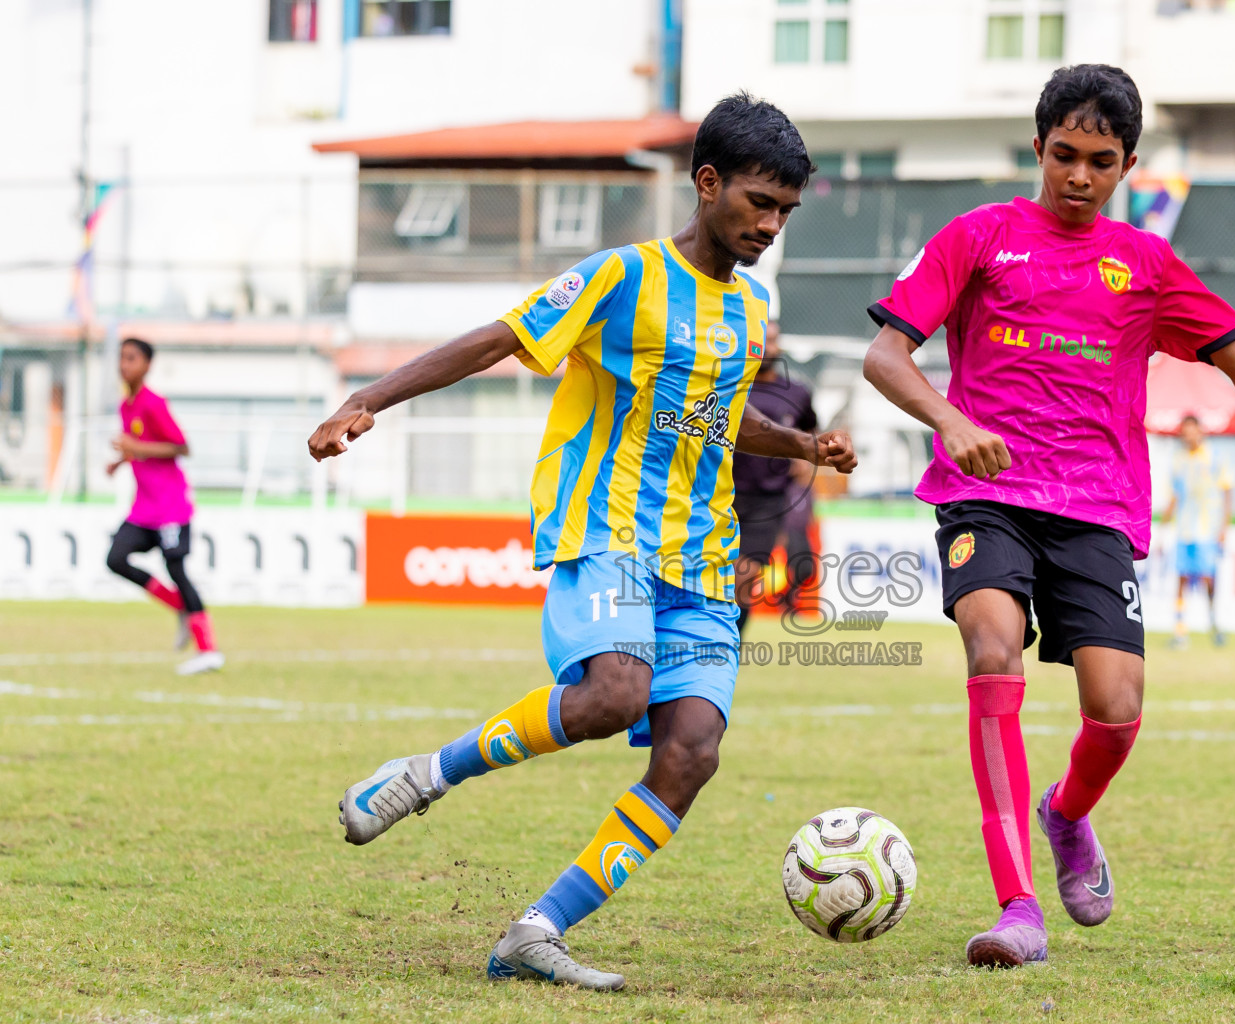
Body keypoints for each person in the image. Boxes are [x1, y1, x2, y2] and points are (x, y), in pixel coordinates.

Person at [861, 64, 1235, 968]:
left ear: (1128, 165)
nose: (1078, 177)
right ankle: (1018, 906)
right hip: (985, 492)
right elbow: (885, 356)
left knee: (1117, 708)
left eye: (1100, 162)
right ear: (1038, 148)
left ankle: (1066, 815)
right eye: (1064, 155)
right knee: (990, 645)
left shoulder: (1145, 265)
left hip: (1096, 508)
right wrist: (954, 421)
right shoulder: (977, 239)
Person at [307, 93, 856, 991]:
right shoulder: (621, 277)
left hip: (704, 558)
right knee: (612, 693)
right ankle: (424, 774)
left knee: (692, 753)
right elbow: (497, 338)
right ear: (707, 182)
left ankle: (538, 930)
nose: (770, 225)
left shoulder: (747, 309)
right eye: (759, 203)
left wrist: (801, 442)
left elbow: (716, 416)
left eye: (786, 212)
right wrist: (367, 398)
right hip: (606, 531)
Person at [104, 337, 224, 676]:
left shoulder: (154, 403)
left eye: (131, 358)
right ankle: (179, 606)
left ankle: (208, 650)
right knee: (115, 559)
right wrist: (121, 460)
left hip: (171, 506)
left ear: (146, 364)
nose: (123, 364)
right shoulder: (126, 406)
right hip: (143, 510)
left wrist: (134, 446)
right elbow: (139, 447)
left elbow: (181, 447)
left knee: (176, 569)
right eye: (121, 357)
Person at [732, 319, 819, 632]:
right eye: (763, 341)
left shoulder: (796, 392)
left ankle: (728, 651)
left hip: (767, 502)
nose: (770, 347)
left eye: (774, 340)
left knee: (742, 578)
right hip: (719, 495)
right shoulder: (730, 386)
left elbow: (809, 428)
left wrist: (806, 457)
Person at [1163, 414, 1233, 648]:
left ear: (1200, 432)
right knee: (1181, 578)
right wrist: (1163, 526)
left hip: (1207, 529)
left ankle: (1214, 623)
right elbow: (1174, 494)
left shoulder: (1214, 456)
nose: (1188, 436)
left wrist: (1224, 526)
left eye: (1191, 431)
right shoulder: (1178, 459)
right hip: (1184, 529)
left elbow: (1227, 492)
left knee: (1207, 579)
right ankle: (1180, 631)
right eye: (1184, 432)